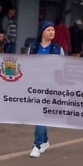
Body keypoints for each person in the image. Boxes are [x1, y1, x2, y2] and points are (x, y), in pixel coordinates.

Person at [29, 22, 65, 158]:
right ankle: (44, 140)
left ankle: (37, 145)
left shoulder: (57, 49)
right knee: (39, 113)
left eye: (53, 30)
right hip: (35, 85)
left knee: (41, 114)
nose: (52, 32)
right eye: (49, 30)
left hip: (50, 86)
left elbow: (63, 68)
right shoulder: (33, 48)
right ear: (42, 32)